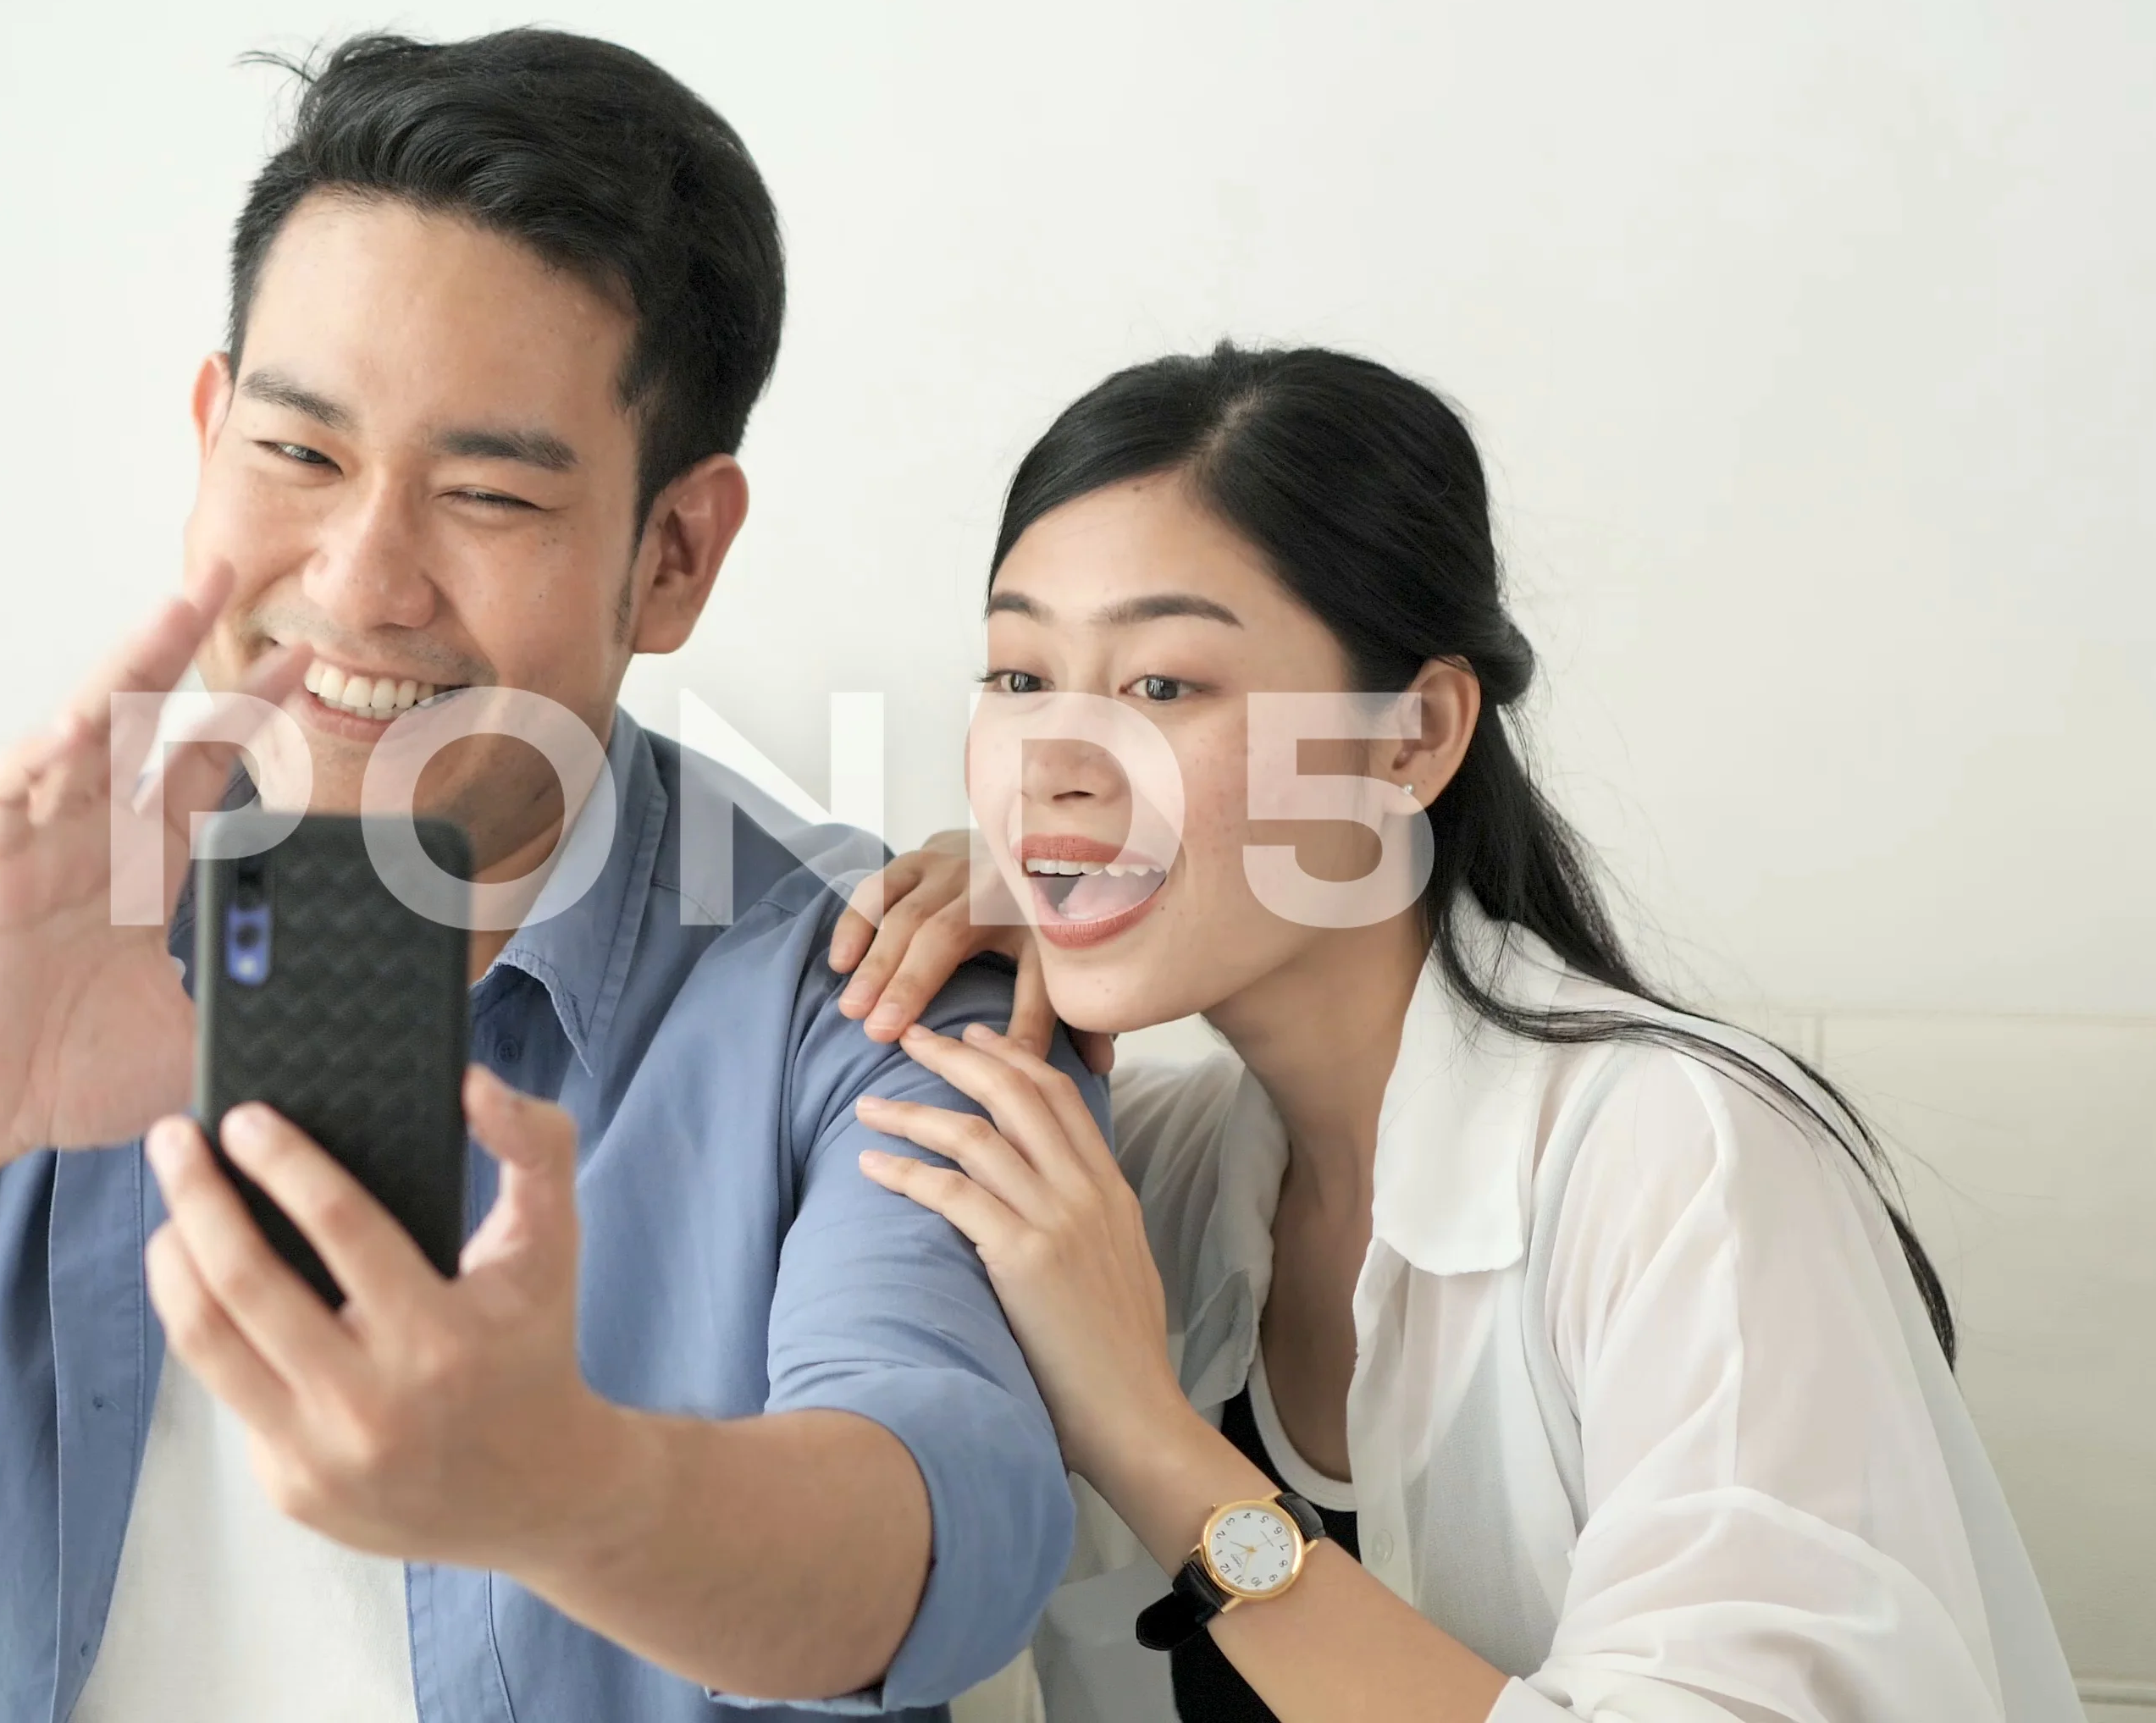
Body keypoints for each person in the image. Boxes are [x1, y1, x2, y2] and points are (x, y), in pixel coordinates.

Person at [0, 29, 1089, 1723]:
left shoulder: (858, 982)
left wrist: (558, 1483)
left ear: (673, 555)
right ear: (209, 434)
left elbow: (941, 1537)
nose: (361, 581)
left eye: (487, 492)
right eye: (296, 456)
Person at [830, 344, 2085, 1721]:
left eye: (1163, 687)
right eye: (1016, 679)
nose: (1056, 764)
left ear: (1411, 737)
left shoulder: (1679, 1158)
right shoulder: (1144, 1177)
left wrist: (1147, 1437)